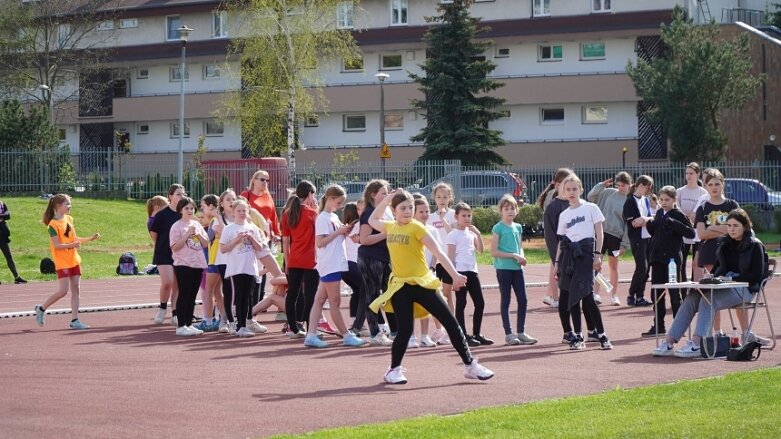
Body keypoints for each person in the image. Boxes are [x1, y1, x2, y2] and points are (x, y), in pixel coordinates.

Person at [368, 189, 494, 384]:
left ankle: (470, 365)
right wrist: (386, 199)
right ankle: (393, 370)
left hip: (423, 284)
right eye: (403, 208)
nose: (408, 211)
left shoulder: (418, 228)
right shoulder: (391, 227)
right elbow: (372, 220)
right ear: (394, 210)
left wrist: (455, 275)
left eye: (411, 207)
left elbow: (439, 252)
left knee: (450, 322)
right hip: (401, 286)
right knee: (405, 331)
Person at [653, 209, 764, 358]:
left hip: (745, 289)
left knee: (709, 301)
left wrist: (731, 279)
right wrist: (711, 277)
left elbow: (756, 275)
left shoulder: (755, 245)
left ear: (745, 226)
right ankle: (668, 342)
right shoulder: (724, 243)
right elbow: (718, 270)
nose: (731, 229)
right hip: (723, 286)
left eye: (736, 226)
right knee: (691, 298)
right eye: (729, 225)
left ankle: (698, 344)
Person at [304, 185, 367, 348]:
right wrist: (339, 233)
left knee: (319, 300)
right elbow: (320, 242)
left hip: (333, 262)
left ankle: (311, 334)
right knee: (335, 302)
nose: (340, 206)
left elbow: (334, 237)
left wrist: (345, 231)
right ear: (330, 199)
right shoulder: (323, 218)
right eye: (338, 202)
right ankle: (346, 335)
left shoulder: (331, 217)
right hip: (330, 263)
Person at [555, 174, 613, 350]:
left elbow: (599, 234)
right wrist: (557, 263)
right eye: (568, 189)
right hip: (569, 257)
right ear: (563, 192)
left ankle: (602, 335)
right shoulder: (564, 214)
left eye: (574, 189)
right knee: (572, 296)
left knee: (587, 296)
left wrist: (598, 255)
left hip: (586, 253)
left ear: (581, 190)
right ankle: (578, 337)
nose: (571, 192)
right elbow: (562, 241)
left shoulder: (591, 208)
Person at [34, 194, 100, 329]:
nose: (70, 206)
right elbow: (57, 245)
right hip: (62, 262)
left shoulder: (69, 219)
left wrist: (90, 238)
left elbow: (74, 239)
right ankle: (41, 309)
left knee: (76, 289)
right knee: (63, 291)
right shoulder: (53, 224)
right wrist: (72, 245)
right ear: (58, 206)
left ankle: (75, 320)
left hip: (73, 259)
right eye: (67, 204)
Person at [642, 186, 695, 337]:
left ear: (674, 200)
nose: (664, 202)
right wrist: (650, 225)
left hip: (672, 261)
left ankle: (678, 326)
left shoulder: (678, 214)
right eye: (661, 199)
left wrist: (674, 223)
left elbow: (690, 233)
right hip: (657, 259)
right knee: (656, 292)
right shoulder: (659, 213)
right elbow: (656, 233)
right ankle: (658, 325)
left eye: (667, 199)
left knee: (674, 293)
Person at [695, 168, 741, 335]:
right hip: (710, 253)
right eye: (710, 184)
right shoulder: (703, 208)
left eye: (717, 183)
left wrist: (714, 227)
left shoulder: (732, 205)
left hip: (733, 254)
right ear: (706, 186)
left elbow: (741, 229)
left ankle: (745, 332)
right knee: (714, 294)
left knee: (737, 292)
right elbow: (701, 234)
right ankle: (717, 332)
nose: (714, 187)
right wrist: (727, 229)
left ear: (723, 184)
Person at [220, 199, 276, 337]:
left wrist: (252, 239)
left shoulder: (252, 228)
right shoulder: (229, 229)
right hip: (235, 268)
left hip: (250, 267)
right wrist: (236, 240)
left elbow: (260, 248)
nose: (241, 213)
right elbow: (223, 249)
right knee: (238, 296)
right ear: (233, 212)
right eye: (238, 210)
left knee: (248, 297)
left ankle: (245, 324)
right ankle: (239, 326)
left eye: (244, 210)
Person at [352, 179, 395, 346]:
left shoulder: (385, 213)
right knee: (372, 294)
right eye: (383, 193)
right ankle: (375, 333)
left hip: (384, 258)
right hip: (370, 258)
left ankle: (394, 330)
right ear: (373, 195)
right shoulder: (369, 213)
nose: (387, 196)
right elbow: (364, 239)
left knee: (390, 293)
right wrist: (387, 233)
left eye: (387, 192)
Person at [490, 195, 537, 346]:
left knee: (523, 299)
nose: (509, 211)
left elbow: (519, 247)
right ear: (501, 211)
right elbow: (494, 252)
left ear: (516, 210)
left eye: (512, 208)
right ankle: (509, 334)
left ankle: (521, 332)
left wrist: (521, 257)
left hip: (517, 269)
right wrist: (513, 255)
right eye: (506, 208)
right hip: (504, 269)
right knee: (506, 300)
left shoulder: (517, 227)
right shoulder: (498, 228)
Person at [447, 202, 492, 347]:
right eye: (463, 216)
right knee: (461, 303)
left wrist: (478, 234)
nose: (466, 218)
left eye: (469, 215)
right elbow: (451, 257)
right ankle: (463, 335)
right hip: (460, 272)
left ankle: (477, 333)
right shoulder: (453, 234)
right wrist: (454, 277)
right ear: (456, 217)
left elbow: (480, 250)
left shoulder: (471, 233)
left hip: (472, 271)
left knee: (480, 303)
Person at [587, 172, 632, 306]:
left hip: (616, 236)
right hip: (600, 233)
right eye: (618, 185)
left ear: (629, 185)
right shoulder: (608, 192)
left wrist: (624, 243)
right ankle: (596, 293)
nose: (620, 188)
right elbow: (590, 196)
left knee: (613, 266)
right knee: (597, 263)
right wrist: (600, 186)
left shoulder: (629, 201)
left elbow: (627, 225)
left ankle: (613, 295)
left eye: (623, 185)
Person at [281, 180, 319, 338]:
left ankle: (293, 328)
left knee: (292, 294)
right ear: (310, 194)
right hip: (310, 260)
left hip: (295, 259)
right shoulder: (312, 213)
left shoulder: (287, 214)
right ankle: (311, 329)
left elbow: (285, 241)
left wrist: (288, 262)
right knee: (310, 295)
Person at [169, 196, 209, 336]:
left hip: (198, 264)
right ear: (180, 210)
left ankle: (188, 323)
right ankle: (180, 325)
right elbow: (175, 247)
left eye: (192, 208)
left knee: (192, 295)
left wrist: (199, 234)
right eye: (186, 208)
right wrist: (186, 234)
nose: (190, 210)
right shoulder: (177, 226)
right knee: (184, 294)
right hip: (183, 264)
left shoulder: (197, 225)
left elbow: (206, 243)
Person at [150, 185, 185, 325]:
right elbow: (154, 235)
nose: (181, 196)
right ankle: (162, 308)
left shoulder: (183, 214)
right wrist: (164, 244)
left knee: (177, 284)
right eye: (178, 194)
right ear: (170, 196)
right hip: (163, 253)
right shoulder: (162, 215)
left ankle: (175, 313)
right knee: (168, 282)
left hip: (180, 253)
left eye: (183, 194)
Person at [427, 183, 457, 341]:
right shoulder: (430, 217)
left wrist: (443, 219)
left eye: (445, 197)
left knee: (447, 295)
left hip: (449, 261)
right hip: (434, 261)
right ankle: (439, 330)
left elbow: (453, 234)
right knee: (434, 296)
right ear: (434, 198)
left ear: (450, 198)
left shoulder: (453, 215)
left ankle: (451, 328)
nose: (442, 200)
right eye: (439, 197)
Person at [539, 168, 573, 308]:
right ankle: (555, 297)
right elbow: (550, 223)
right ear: (558, 184)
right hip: (558, 242)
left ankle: (550, 295)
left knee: (554, 268)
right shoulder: (553, 199)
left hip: (568, 243)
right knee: (555, 266)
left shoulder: (571, 199)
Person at [196, 194, 227, 332]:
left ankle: (208, 321)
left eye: (203, 207)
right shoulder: (217, 220)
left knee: (209, 291)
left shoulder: (215, 221)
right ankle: (223, 320)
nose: (202, 210)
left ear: (210, 206)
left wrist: (197, 231)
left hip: (214, 260)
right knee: (217, 292)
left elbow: (207, 240)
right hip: (218, 259)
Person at [623, 175, 655, 307]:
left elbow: (648, 218)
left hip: (648, 237)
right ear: (641, 185)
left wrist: (645, 219)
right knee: (642, 267)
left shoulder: (646, 200)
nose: (649, 190)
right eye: (648, 187)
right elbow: (635, 222)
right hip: (637, 238)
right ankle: (631, 294)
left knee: (647, 269)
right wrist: (644, 219)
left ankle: (640, 296)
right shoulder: (630, 201)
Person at [676, 162, 708, 284]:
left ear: (698, 174)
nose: (689, 176)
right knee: (681, 261)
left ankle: (696, 287)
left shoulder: (703, 193)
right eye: (687, 173)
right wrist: (685, 216)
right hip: (683, 230)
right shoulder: (680, 191)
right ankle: (683, 289)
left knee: (698, 262)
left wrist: (693, 215)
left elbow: (700, 212)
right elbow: (677, 207)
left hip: (697, 231)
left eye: (691, 173)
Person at [0, 196, 26, 284]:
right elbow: (5, 216)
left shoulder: (2, 203)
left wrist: (2, 216)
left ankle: (17, 277)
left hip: (2, 232)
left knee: (8, 256)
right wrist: (2, 216)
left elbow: (8, 216)